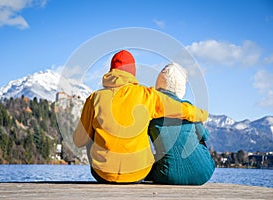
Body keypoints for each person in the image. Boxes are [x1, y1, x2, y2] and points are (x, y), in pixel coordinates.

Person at [73, 50, 209, 183]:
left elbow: (79, 141)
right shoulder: (147, 95)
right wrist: (203, 115)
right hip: (138, 174)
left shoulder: (94, 98)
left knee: (90, 131)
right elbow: (184, 110)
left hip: (103, 174)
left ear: (111, 71)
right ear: (133, 72)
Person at [147, 63, 215, 185]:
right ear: (181, 87)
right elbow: (205, 136)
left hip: (167, 175)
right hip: (204, 172)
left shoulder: (152, 111)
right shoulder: (188, 109)